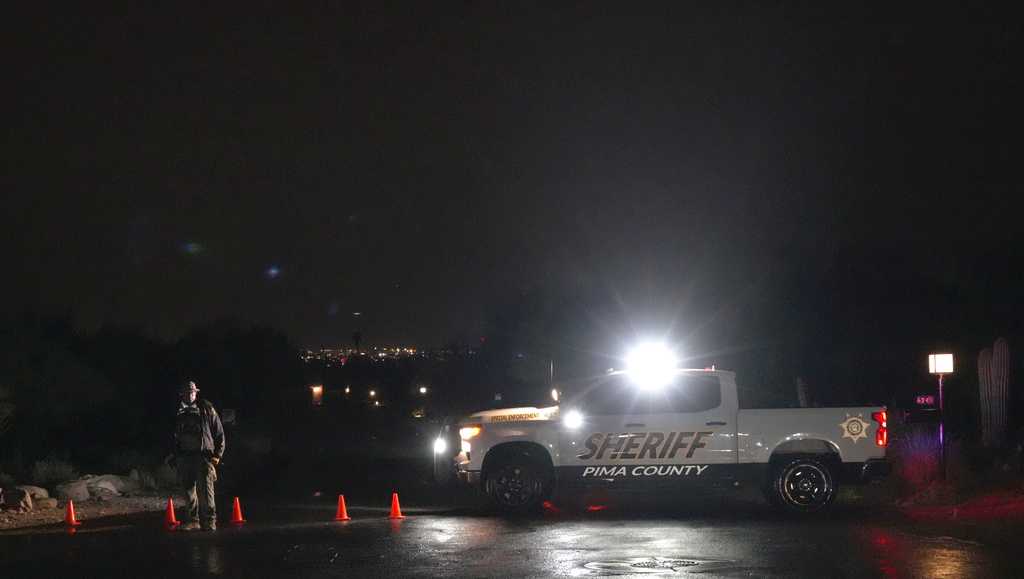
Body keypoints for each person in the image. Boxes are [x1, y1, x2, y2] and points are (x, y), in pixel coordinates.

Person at [171, 380, 225, 531]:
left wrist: (217, 455)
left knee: (206, 492)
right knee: (188, 492)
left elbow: (219, 432)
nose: (190, 395)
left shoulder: (206, 408)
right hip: (184, 457)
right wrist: (174, 455)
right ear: (182, 395)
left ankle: (210, 522)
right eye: (187, 393)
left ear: (196, 393)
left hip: (203, 457)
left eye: (192, 392)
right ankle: (193, 521)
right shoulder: (178, 411)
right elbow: (173, 435)